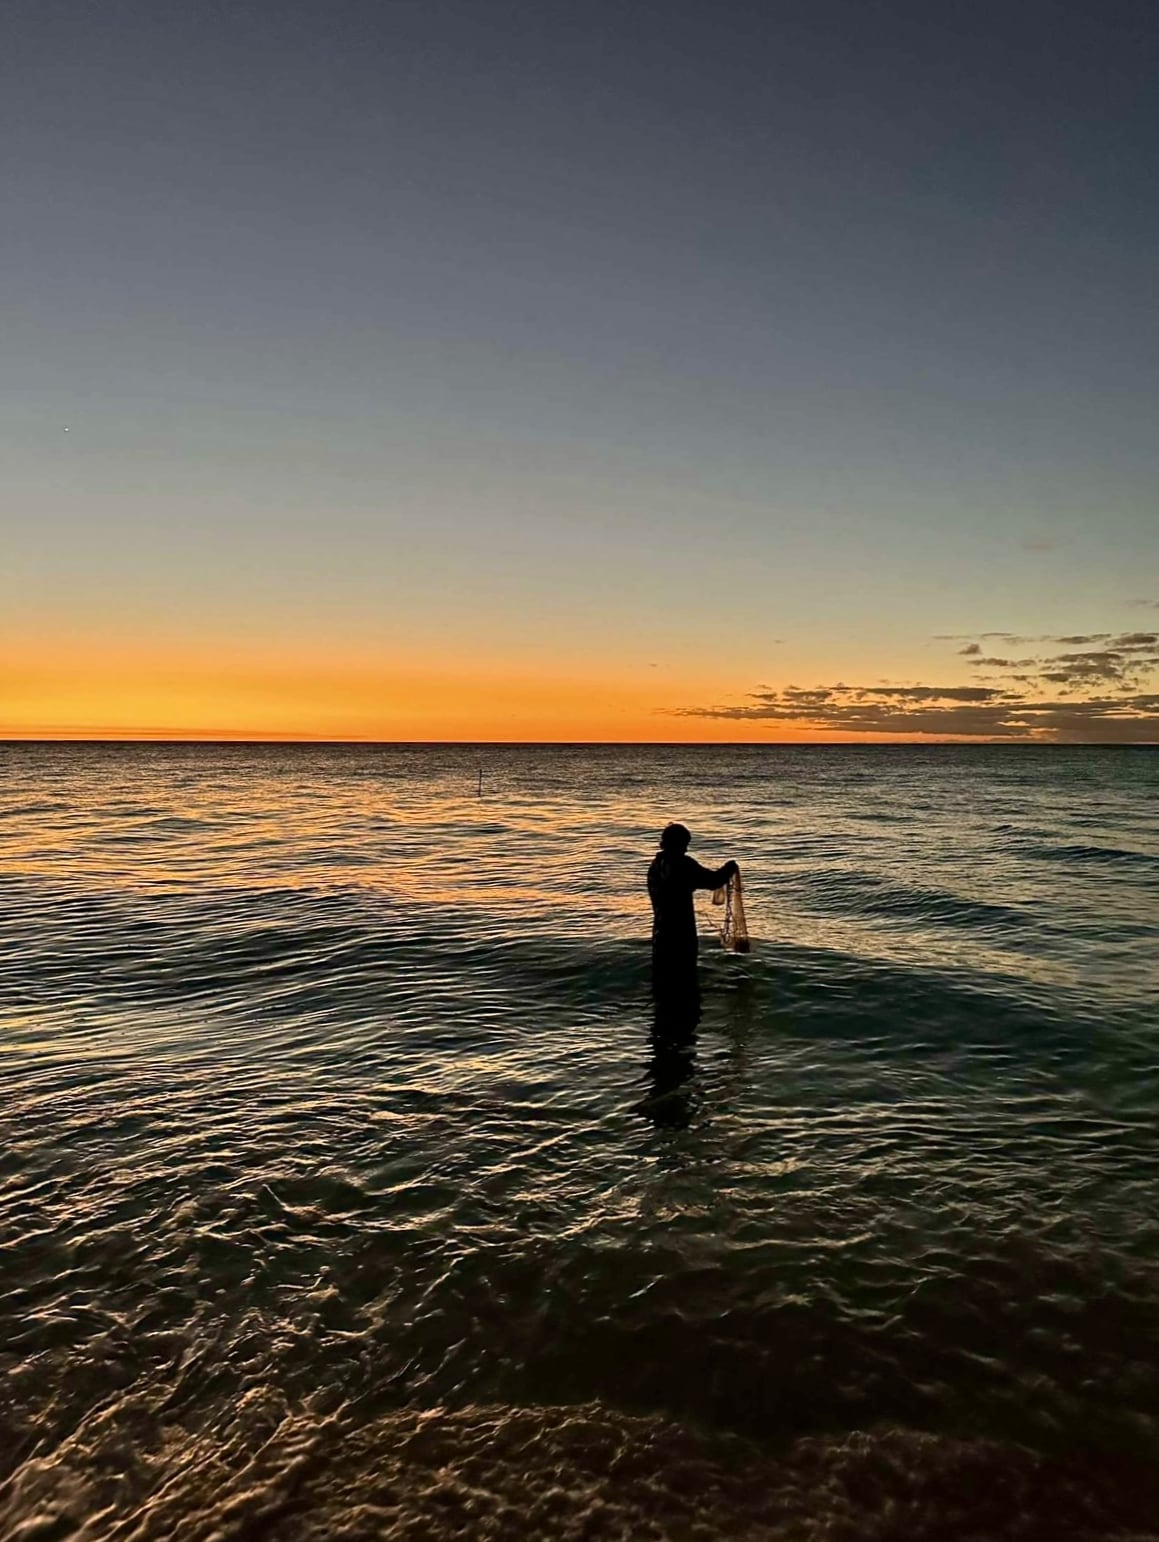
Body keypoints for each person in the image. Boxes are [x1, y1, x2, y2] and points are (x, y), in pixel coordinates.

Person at [647, 823, 737, 1006]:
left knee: (663, 983)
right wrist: (729, 868)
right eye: (684, 844)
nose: (686, 849)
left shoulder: (656, 866)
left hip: (661, 934)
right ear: (678, 844)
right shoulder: (683, 865)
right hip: (681, 935)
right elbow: (712, 881)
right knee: (685, 984)